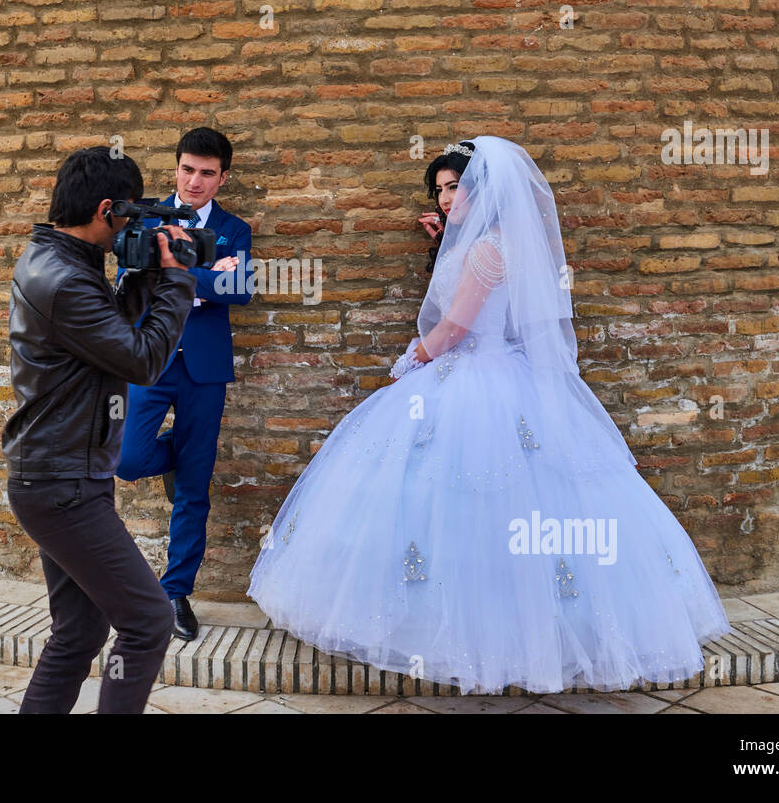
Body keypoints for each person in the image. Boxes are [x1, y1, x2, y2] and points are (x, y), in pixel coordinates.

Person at [248, 136, 732, 695]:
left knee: (453, 500)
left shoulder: (483, 252)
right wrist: (443, 249)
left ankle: (460, 636)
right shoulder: (503, 245)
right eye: (440, 191)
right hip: (500, 373)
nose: (447, 200)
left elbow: (455, 327)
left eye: (456, 188)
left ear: (481, 190)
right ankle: (520, 632)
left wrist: (414, 356)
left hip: (471, 373)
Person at [3, 146, 197, 714]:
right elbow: (139, 359)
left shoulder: (57, 260)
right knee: (148, 620)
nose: (130, 228)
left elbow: (104, 327)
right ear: (106, 209)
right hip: (63, 484)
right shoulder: (64, 279)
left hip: (58, 475)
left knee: (80, 634)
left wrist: (144, 273)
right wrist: (178, 283)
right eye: (129, 216)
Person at [116, 127, 254, 641]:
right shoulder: (148, 216)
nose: (195, 181)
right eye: (187, 169)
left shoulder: (234, 229)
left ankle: (176, 592)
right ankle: (176, 452)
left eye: (207, 173)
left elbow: (239, 289)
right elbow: (130, 276)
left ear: (223, 178)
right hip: (148, 359)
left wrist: (176, 271)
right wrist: (205, 275)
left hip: (205, 367)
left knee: (195, 487)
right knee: (127, 460)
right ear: (175, 167)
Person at [419, 141, 472, 273]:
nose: (443, 200)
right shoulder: (465, 238)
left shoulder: (485, 248)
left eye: (453, 187)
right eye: (439, 190)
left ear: (475, 187)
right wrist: (447, 241)